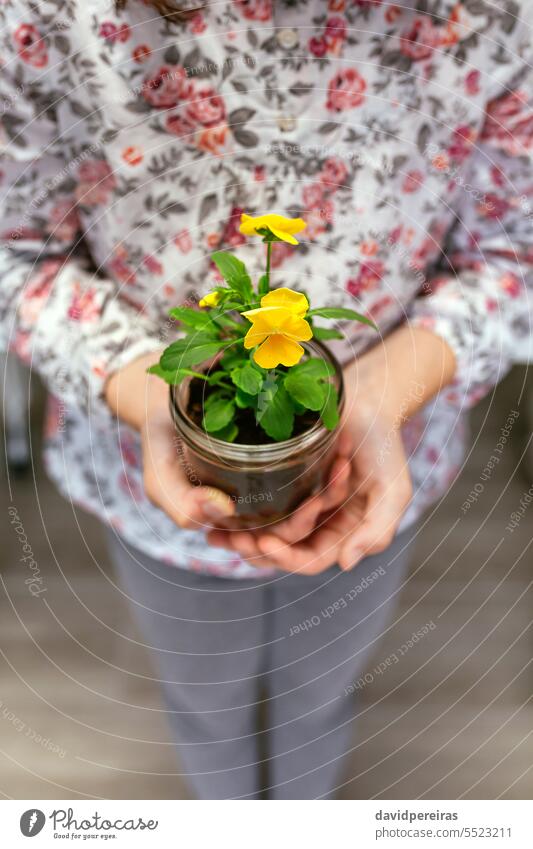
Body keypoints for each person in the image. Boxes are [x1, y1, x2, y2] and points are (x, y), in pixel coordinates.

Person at [1, 0, 531, 799]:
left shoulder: (493, 18)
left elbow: (512, 252)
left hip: (372, 471)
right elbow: (16, 251)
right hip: (157, 479)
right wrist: (145, 391)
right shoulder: (46, 17)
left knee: (320, 689)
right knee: (201, 693)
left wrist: (384, 394)